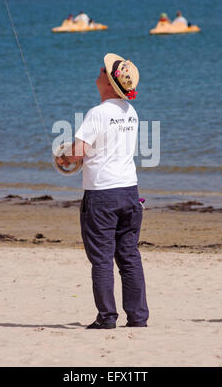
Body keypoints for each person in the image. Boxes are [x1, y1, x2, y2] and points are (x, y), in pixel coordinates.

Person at [57, 54, 149, 329]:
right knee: (129, 256)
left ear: (109, 82)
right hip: (129, 192)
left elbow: (78, 152)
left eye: (103, 70)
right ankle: (138, 317)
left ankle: (107, 318)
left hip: (102, 195)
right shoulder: (130, 112)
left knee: (102, 260)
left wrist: (62, 159)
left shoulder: (97, 113)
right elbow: (106, 149)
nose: (99, 71)